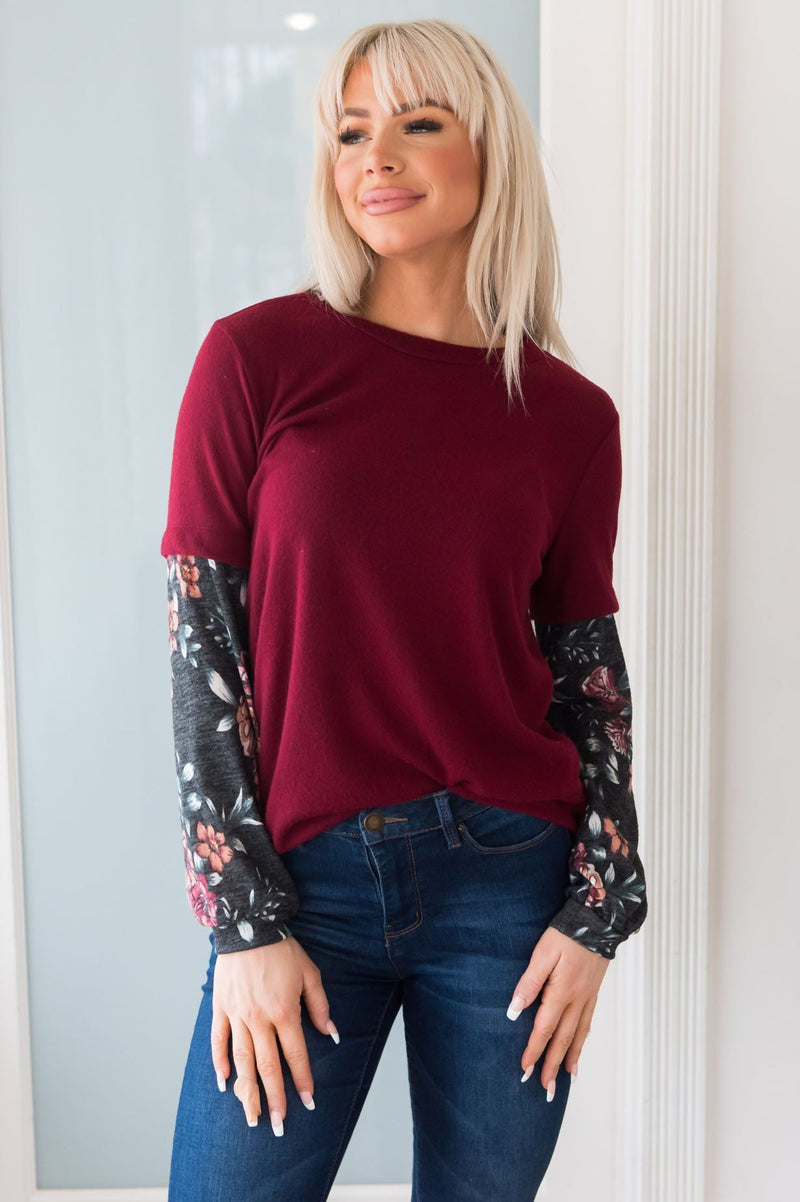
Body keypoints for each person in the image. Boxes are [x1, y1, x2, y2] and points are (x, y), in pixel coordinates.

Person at [162, 18, 648, 1201]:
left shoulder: (569, 417)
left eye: (416, 124)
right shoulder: (254, 360)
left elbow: (585, 677)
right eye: (349, 132)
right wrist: (241, 920)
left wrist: (598, 908)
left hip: (508, 886)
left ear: (488, 152)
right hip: (306, 881)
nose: (373, 156)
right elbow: (201, 645)